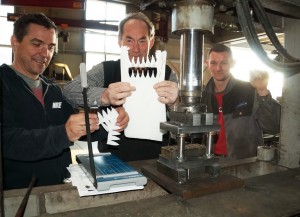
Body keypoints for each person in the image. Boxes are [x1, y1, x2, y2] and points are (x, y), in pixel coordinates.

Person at [0, 13, 128, 190]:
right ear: (15, 42)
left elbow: (80, 127)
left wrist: (110, 121)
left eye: (51, 47)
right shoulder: (3, 84)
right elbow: (8, 141)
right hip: (20, 194)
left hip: (59, 187)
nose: (45, 54)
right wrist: (64, 133)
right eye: (37, 44)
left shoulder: (52, 90)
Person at [63, 12, 179, 161]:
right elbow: (70, 90)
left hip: (157, 160)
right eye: (129, 40)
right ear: (120, 42)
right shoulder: (106, 70)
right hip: (112, 159)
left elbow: (181, 123)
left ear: (151, 42)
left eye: (142, 41)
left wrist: (175, 104)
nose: (136, 49)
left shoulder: (166, 73)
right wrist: (104, 95)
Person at [202, 44, 281, 159]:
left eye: (224, 63)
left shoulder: (249, 90)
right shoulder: (202, 96)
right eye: (213, 63)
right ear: (207, 64)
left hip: (244, 163)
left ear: (233, 63)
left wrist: (262, 91)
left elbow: (273, 126)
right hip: (211, 161)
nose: (218, 68)